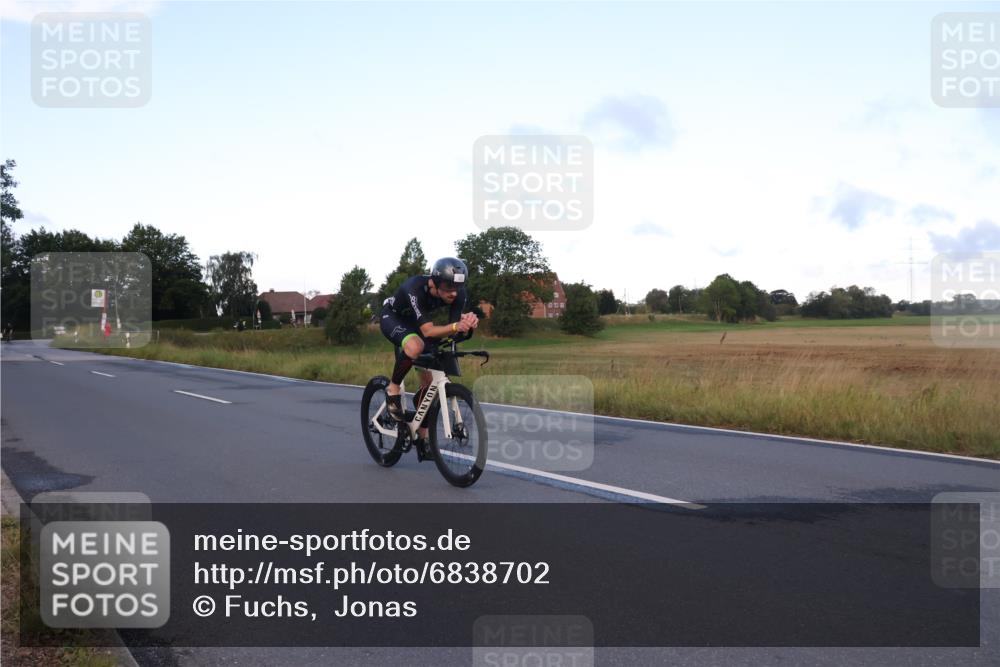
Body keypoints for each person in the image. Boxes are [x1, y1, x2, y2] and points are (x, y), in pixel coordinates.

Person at [380, 257, 479, 450]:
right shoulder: (415, 288)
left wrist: (467, 322)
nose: (453, 293)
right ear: (434, 282)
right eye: (448, 286)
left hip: (416, 324)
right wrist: (455, 325)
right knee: (415, 346)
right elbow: (428, 331)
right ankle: (392, 389)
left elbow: (453, 327)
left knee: (431, 382)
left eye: (457, 287)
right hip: (393, 318)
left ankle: (421, 437)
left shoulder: (459, 294)